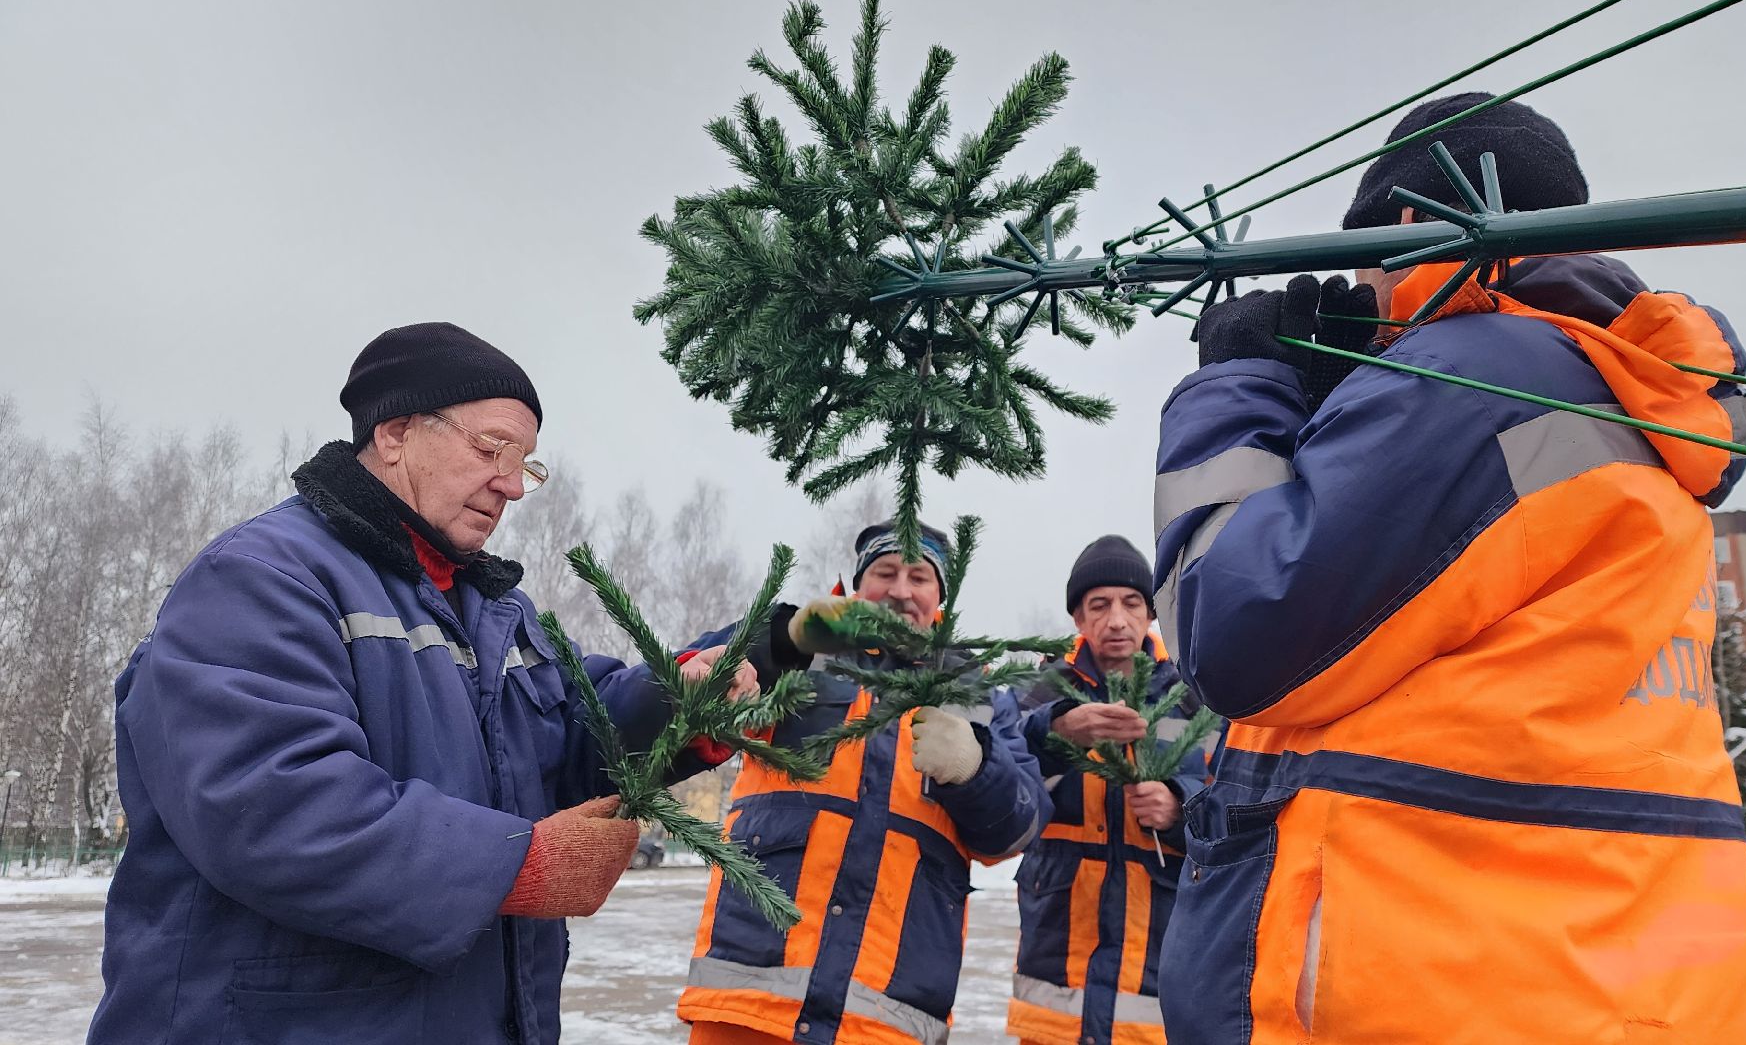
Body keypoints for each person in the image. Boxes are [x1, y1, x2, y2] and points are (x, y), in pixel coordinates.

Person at [1151, 95, 1746, 1042]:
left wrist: (1238, 389)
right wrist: (1340, 418)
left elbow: (1232, 637)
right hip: (1582, 975)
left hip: (1423, 981)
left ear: (1404, 226)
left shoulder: (1477, 375)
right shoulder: (1626, 391)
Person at [89, 322, 752, 1045]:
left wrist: (683, 703)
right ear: (396, 432)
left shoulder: (497, 612)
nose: (510, 485)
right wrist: (514, 865)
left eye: (526, 464)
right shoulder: (261, 577)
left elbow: (569, 740)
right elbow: (268, 804)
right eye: (491, 448)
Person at [677, 520, 1052, 1045]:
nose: (901, 591)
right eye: (885, 572)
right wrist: (765, 644)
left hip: (888, 1017)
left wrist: (975, 769)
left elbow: (1019, 828)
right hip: (750, 1003)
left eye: (919, 577)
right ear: (859, 585)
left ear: (940, 597)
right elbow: (692, 690)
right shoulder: (800, 649)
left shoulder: (977, 689)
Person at [1007, 536, 1212, 1045]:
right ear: (1078, 618)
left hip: (1157, 971)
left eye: (1131, 603)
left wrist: (1179, 806)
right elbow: (1000, 781)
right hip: (1056, 966)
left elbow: (1233, 801)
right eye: (1099, 605)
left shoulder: (1194, 700)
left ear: (1150, 615)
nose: (1116, 620)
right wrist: (1057, 733)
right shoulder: (1040, 693)